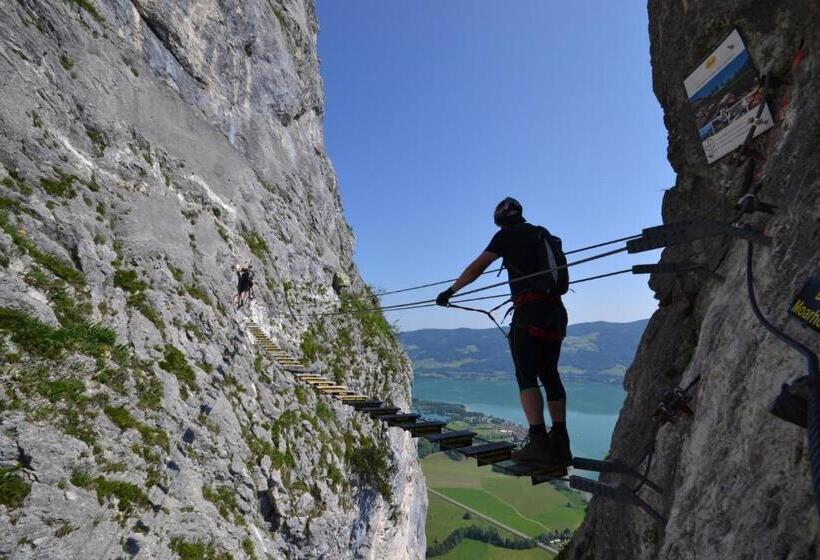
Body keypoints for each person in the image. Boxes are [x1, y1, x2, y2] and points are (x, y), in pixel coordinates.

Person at [436, 197, 571, 468]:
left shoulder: (506, 236)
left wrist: (451, 291)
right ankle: (561, 442)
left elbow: (478, 267)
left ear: (499, 220)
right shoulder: (543, 235)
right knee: (550, 374)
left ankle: (538, 443)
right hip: (555, 314)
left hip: (529, 315)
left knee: (526, 375)